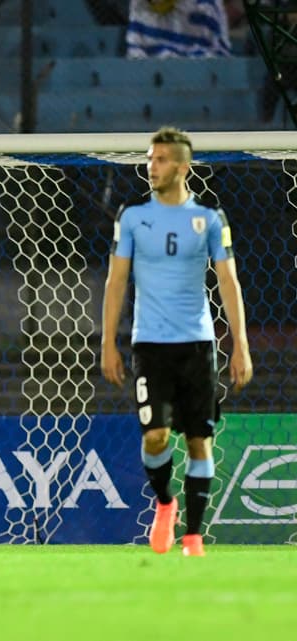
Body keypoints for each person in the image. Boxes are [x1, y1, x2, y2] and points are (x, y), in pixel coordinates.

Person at [101, 126, 253, 558]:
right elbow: (116, 281)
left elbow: (228, 281)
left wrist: (239, 344)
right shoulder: (131, 216)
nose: (152, 165)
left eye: (162, 159)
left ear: (183, 167)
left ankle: (194, 536)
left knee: (199, 442)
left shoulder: (208, 218)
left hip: (198, 343)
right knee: (155, 437)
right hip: (149, 344)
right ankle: (165, 504)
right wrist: (107, 342)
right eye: (150, 158)